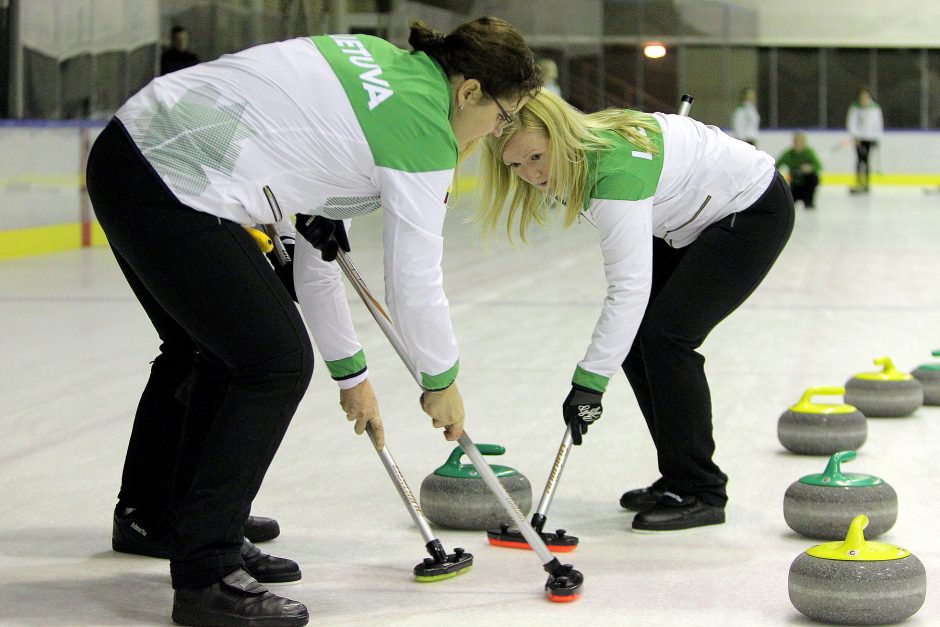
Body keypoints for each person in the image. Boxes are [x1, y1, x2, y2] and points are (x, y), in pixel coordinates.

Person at [86, 16, 539, 626]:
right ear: (469, 91)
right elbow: (412, 280)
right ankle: (207, 574)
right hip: (176, 177)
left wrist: (353, 376)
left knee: (217, 350)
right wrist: (441, 380)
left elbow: (317, 257)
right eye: (503, 116)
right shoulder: (424, 126)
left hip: (133, 151)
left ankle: (173, 520)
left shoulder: (381, 63)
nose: (496, 132)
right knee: (271, 363)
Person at [478, 90, 794, 532]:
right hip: (689, 217)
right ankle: (678, 477)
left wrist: (589, 384)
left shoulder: (616, 173)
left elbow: (628, 289)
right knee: (635, 343)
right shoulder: (589, 158)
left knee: (666, 337)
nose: (533, 175)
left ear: (562, 137)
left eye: (536, 156)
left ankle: (701, 490)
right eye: (516, 166)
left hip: (751, 209)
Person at [846, 86, 883, 194]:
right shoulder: (855, 107)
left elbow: (878, 123)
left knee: (866, 160)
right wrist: (854, 136)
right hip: (859, 138)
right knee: (860, 159)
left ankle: (866, 183)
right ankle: (858, 182)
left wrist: (877, 137)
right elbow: (851, 123)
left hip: (870, 138)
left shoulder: (875, 108)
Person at [777, 131, 823, 209]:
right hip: (795, 184)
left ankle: (808, 200)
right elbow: (777, 164)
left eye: (800, 142)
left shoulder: (809, 152)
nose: (798, 144)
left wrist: (810, 168)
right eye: (796, 142)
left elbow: (819, 166)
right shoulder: (788, 154)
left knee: (813, 178)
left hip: (806, 185)